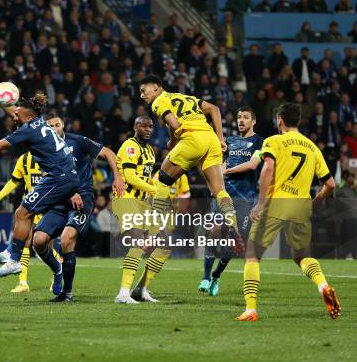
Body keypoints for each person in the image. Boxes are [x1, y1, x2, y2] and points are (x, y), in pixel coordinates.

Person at [0, 90, 80, 279]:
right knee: (21, 212)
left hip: (60, 177)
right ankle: (11, 254)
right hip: (62, 175)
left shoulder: (29, 129)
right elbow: (14, 110)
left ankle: (14, 261)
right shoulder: (37, 121)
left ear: (28, 116)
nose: (14, 116)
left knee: (23, 213)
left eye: (18, 115)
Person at [237, 103, 340, 321]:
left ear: (280, 120)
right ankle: (323, 286)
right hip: (301, 206)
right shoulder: (312, 147)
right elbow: (330, 184)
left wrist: (261, 202)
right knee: (302, 256)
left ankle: (250, 309)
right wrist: (317, 201)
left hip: (276, 202)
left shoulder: (273, 141)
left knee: (253, 255)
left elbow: (268, 168)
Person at [139, 75, 244, 268]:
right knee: (218, 190)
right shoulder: (184, 97)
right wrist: (221, 139)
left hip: (192, 138)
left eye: (143, 90)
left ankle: (153, 234)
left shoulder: (157, 102)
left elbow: (174, 122)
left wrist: (178, 138)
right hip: (210, 139)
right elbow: (214, 109)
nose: (141, 95)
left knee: (162, 180)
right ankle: (233, 226)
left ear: (155, 88)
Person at [41, 112, 124, 301]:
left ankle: (67, 292)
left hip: (83, 197)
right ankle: (58, 269)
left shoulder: (78, 141)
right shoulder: (45, 148)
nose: (54, 129)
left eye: (56, 125)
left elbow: (109, 153)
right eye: (50, 127)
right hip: (60, 198)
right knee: (38, 240)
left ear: (63, 125)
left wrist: (117, 177)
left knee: (67, 238)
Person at [199, 108, 263, 296]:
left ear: (254, 121)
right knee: (214, 231)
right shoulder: (228, 142)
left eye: (245, 118)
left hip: (245, 200)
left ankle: (217, 275)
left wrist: (225, 172)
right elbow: (219, 164)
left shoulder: (260, 142)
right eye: (238, 117)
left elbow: (252, 164)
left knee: (232, 244)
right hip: (224, 194)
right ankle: (206, 276)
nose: (241, 121)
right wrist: (217, 181)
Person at [0, 151, 61, 293]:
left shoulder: (54, 154)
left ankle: (58, 272)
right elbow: (14, 180)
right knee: (25, 242)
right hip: (30, 206)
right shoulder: (24, 158)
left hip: (48, 206)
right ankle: (23, 283)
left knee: (44, 247)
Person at [113, 116, 167, 304]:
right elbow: (129, 176)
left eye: (150, 126)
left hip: (143, 203)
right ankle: (123, 293)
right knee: (136, 243)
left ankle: (141, 289)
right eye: (143, 126)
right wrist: (154, 190)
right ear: (135, 126)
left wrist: (157, 188)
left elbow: (145, 177)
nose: (148, 129)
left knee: (164, 245)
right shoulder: (130, 146)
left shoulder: (150, 151)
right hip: (126, 199)